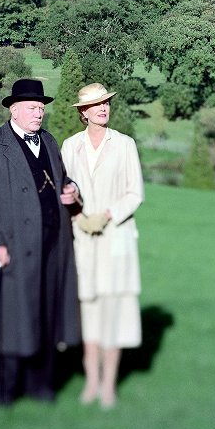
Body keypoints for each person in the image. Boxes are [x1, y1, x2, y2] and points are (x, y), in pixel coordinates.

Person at [0, 78, 82, 410]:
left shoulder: (49, 142)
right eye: (32, 107)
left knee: (45, 319)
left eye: (41, 107)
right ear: (13, 110)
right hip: (12, 252)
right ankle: (2, 396)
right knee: (9, 323)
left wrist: (72, 191)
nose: (39, 113)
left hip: (51, 250)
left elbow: (61, 181)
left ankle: (41, 388)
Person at [61, 82, 144, 409]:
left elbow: (135, 193)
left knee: (115, 314)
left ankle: (109, 385)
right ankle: (91, 382)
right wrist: (76, 209)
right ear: (83, 112)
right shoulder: (70, 147)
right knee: (89, 313)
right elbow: (67, 189)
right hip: (83, 239)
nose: (103, 108)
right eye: (96, 105)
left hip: (115, 238)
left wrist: (108, 214)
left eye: (106, 103)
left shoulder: (124, 145)